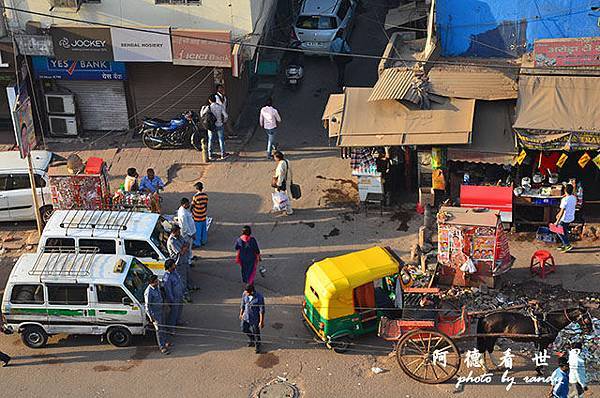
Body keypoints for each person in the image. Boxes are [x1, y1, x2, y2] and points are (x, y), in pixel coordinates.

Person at [144, 275, 170, 354]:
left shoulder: (157, 287)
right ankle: (162, 347)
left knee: (163, 327)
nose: (158, 282)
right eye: (156, 281)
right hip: (155, 314)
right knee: (158, 330)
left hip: (161, 310)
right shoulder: (148, 292)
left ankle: (165, 341)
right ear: (152, 283)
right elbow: (147, 306)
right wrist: (151, 317)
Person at [167, 224, 192, 302]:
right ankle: (184, 295)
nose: (179, 233)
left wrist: (184, 247)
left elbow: (187, 244)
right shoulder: (172, 241)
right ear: (174, 232)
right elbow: (181, 252)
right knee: (182, 280)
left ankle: (189, 287)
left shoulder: (179, 237)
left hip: (185, 260)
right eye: (178, 231)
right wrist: (184, 247)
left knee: (187, 275)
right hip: (179, 263)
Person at [201, 94, 229, 160]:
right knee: (221, 139)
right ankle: (223, 154)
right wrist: (224, 121)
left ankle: (210, 155)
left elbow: (202, 114)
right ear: (215, 99)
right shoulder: (220, 106)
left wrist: (202, 108)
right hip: (219, 125)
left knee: (210, 140)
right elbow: (226, 116)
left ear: (209, 100)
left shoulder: (209, 107)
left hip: (211, 126)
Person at [239, 284, 265, 354]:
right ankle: (251, 338)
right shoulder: (244, 294)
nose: (245, 293)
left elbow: (261, 310)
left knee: (256, 332)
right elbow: (243, 304)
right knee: (243, 328)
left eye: (247, 292)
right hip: (246, 317)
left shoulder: (259, 297)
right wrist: (241, 313)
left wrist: (261, 321)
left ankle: (258, 345)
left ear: (251, 292)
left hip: (254, 318)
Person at [163, 259, 185, 332]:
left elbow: (179, 281)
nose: (175, 265)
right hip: (174, 298)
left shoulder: (174, 272)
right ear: (169, 267)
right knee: (173, 313)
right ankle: (171, 328)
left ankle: (177, 321)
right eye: (173, 265)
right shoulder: (167, 278)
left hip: (180, 295)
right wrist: (172, 301)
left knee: (179, 310)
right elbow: (168, 291)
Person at [555, 184, 576, 252]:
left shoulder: (564, 200)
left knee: (558, 231)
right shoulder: (574, 198)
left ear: (564, 191)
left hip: (565, 219)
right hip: (571, 218)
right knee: (564, 230)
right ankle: (564, 244)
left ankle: (567, 245)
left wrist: (556, 222)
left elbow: (561, 212)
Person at [273, 151, 293, 215]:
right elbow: (290, 171)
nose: (274, 159)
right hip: (288, 180)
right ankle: (286, 209)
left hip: (283, 182)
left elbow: (281, 175)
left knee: (283, 196)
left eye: (275, 157)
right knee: (286, 195)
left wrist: (278, 185)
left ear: (278, 158)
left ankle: (288, 210)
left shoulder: (281, 165)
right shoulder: (287, 161)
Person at [192, 182, 208, 248]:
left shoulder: (195, 197)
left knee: (198, 230)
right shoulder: (205, 196)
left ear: (196, 188)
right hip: (203, 215)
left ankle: (197, 243)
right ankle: (204, 241)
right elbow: (206, 205)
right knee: (204, 229)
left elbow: (193, 205)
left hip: (197, 216)